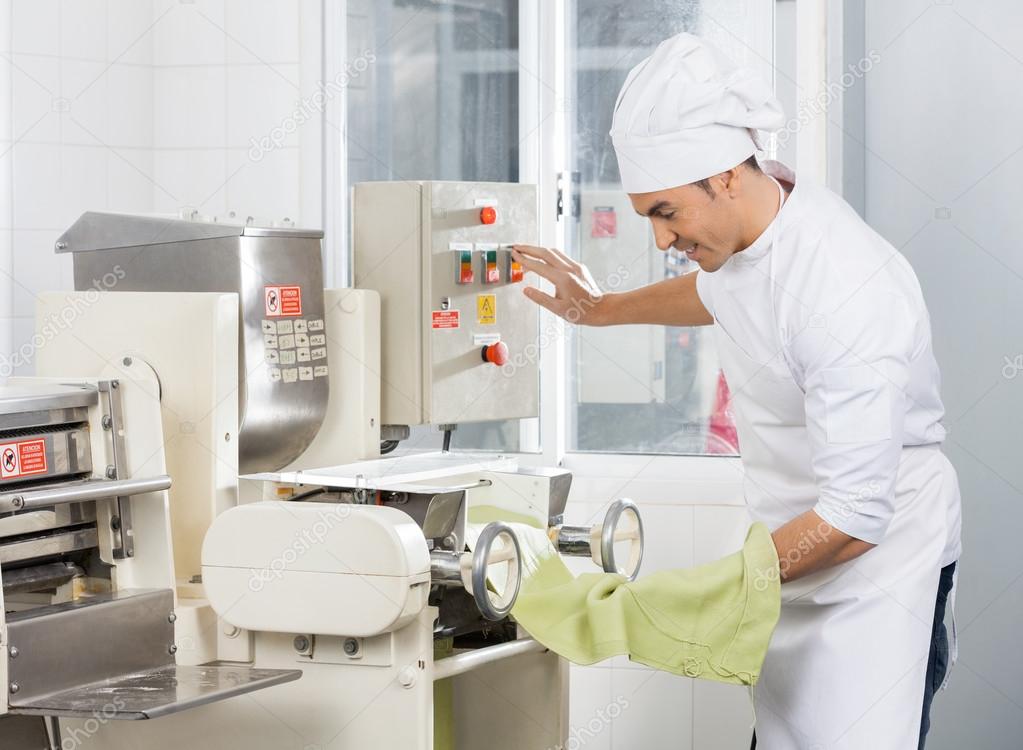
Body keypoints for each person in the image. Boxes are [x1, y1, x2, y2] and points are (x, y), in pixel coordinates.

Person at [512, 32, 961, 749]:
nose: (661, 238)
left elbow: (853, 513)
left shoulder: (843, 289)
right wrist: (602, 310)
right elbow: (723, 293)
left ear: (724, 176)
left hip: (875, 567)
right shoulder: (750, 238)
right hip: (795, 555)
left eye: (665, 213)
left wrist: (708, 590)